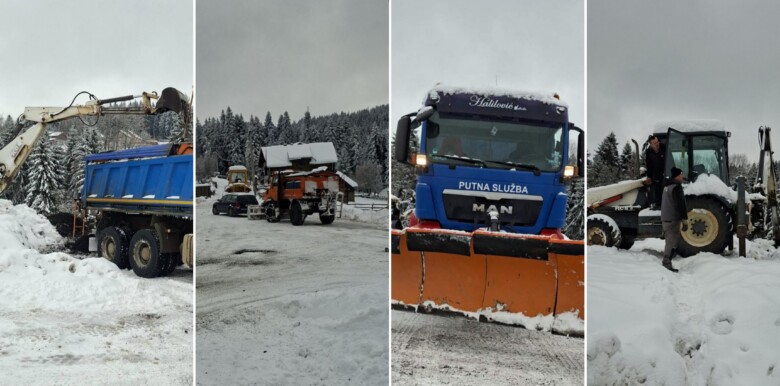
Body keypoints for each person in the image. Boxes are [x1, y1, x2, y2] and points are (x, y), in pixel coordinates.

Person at [661, 167, 689, 272]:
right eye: (681, 174)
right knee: (671, 242)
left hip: (666, 217)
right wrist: (685, 220)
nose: (683, 176)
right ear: (676, 176)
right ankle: (666, 262)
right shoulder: (676, 187)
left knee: (674, 241)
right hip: (672, 218)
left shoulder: (667, 186)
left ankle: (668, 260)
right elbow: (681, 205)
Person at [644, 135, 665, 209]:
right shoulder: (649, 152)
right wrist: (649, 176)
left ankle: (666, 205)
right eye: (655, 143)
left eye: (657, 141)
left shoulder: (664, 148)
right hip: (656, 174)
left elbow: (670, 160)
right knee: (656, 187)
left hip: (665, 173)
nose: (657, 143)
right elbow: (649, 165)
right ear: (651, 144)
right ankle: (657, 204)